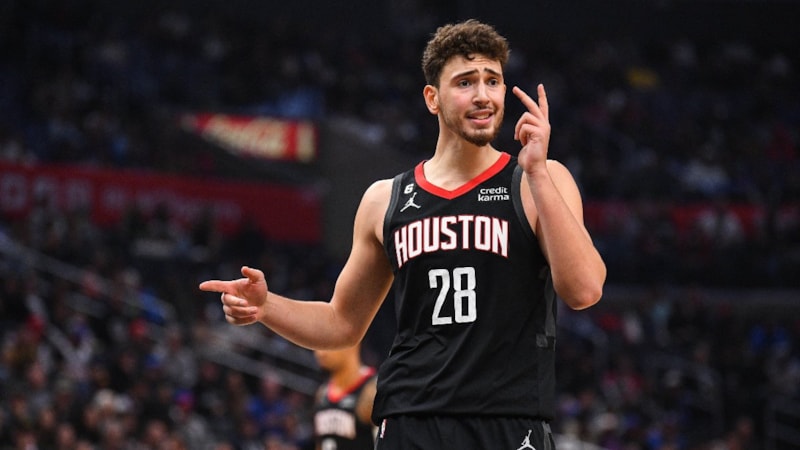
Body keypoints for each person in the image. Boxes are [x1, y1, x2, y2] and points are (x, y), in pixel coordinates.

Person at [200, 19, 606, 450]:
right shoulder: (385, 199)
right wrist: (266, 307)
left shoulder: (537, 180)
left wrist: (537, 171)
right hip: (410, 421)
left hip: (508, 423)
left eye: (493, 81)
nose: (483, 95)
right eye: (465, 82)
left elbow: (584, 290)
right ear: (432, 98)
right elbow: (341, 324)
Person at [312, 344, 377, 450]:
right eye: (318, 344)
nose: (320, 353)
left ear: (353, 342)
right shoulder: (322, 393)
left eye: (327, 343)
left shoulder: (373, 391)